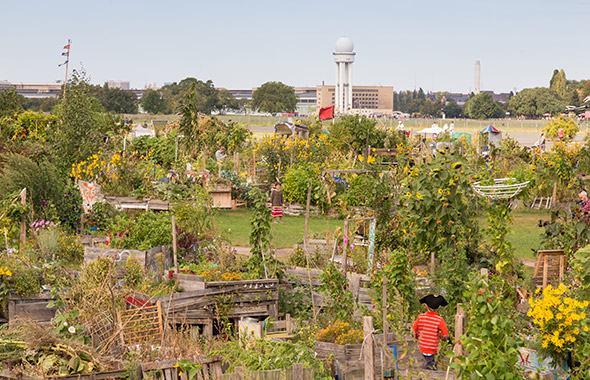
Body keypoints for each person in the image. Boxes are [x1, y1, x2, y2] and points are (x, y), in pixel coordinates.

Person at [412, 294, 449, 370]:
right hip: (432, 348)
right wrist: (444, 339)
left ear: (426, 306)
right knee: (430, 366)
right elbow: (445, 334)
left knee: (430, 362)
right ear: (438, 307)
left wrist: (416, 337)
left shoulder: (420, 317)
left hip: (422, 346)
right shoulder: (439, 320)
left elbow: (412, 330)